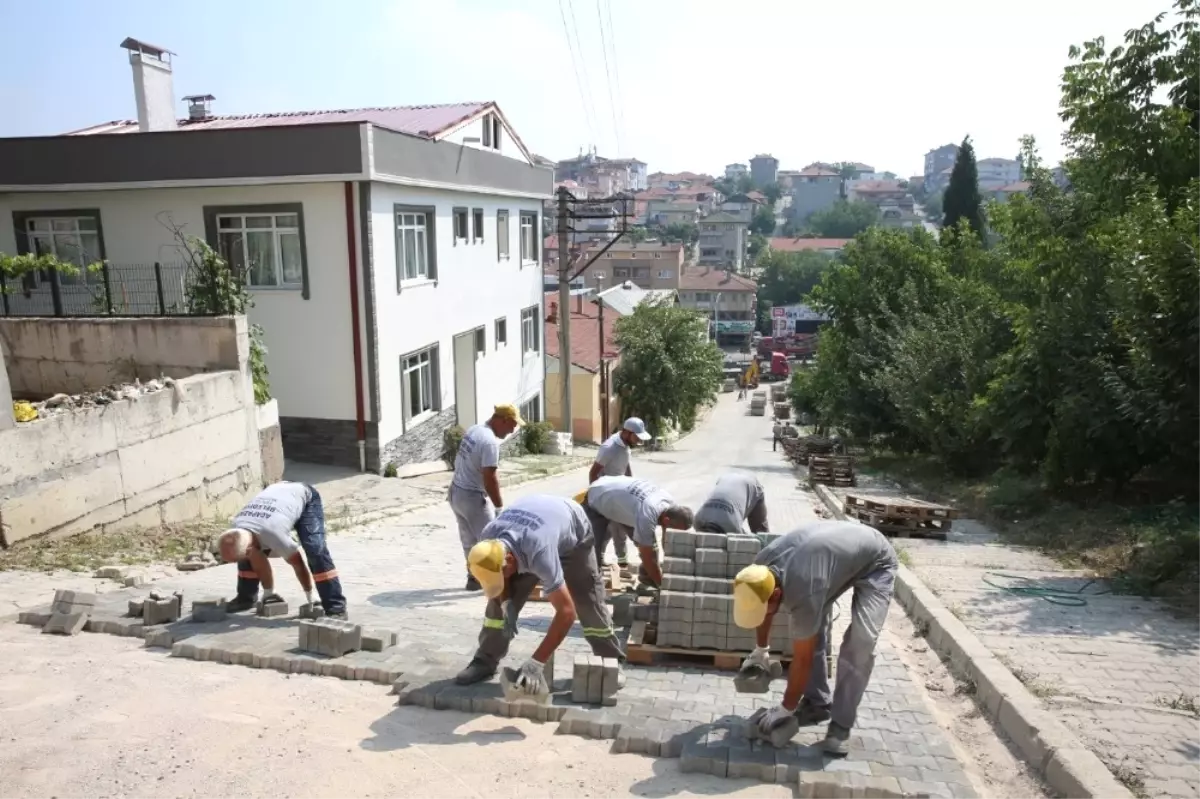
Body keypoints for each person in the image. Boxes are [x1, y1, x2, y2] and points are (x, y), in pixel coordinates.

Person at [731, 520, 898, 756]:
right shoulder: (758, 571)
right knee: (809, 627)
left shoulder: (804, 588)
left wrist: (786, 708)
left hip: (876, 561)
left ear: (777, 593)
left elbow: (803, 660)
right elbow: (763, 610)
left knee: (861, 642)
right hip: (831, 560)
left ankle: (841, 725)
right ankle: (817, 704)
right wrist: (761, 650)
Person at [455, 494, 626, 687]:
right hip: (534, 526)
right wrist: (505, 602)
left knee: (588, 600)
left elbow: (566, 613)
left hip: (573, 535)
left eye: (501, 574)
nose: (501, 579)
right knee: (496, 608)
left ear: (509, 561)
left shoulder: (539, 553)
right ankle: (484, 660)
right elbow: (500, 579)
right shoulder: (488, 540)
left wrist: (537, 662)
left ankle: (611, 660)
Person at [217, 481, 347, 619]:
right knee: (242, 554)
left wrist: (310, 595)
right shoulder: (236, 530)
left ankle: (335, 607)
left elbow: (298, 564)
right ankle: (246, 598)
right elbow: (256, 556)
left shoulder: (274, 535)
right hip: (277, 493)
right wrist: (269, 592)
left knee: (315, 550)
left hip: (304, 496)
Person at [449, 404, 523, 590]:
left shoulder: (475, 430)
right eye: (512, 425)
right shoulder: (490, 442)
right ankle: (499, 582)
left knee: (468, 539)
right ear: (503, 420)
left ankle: (473, 578)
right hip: (472, 497)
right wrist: (498, 506)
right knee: (493, 541)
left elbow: (459, 460)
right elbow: (489, 477)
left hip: (456, 491)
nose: (512, 431)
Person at [579, 475, 693, 586]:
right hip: (598, 496)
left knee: (651, 546)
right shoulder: (647, 515)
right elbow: (647, 555)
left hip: (623, 503)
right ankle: (588, 586)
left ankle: (648, 578)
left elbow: (666, 539)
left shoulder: (670, 506)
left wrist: (671, 562)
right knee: (592, 549)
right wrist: (663, 586)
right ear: (667, 520)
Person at [588, 417, 653, 569]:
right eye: (637, 437)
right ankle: (622, 563)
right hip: (608, 495)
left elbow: (626, 463)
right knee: (619, 529)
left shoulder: (626, 444)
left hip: (621, 491)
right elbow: (594, 472)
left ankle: (600, 559)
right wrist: (594, 497)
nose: (638, 441)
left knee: (608, 532)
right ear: (626, 432)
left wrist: (631, 482)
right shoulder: (609, 448)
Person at [693, 472, 770, 534]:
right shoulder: (698, 520)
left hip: (753, 485)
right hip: (725, 479)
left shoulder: (732, 527)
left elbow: (745, 543)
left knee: (760, 533)